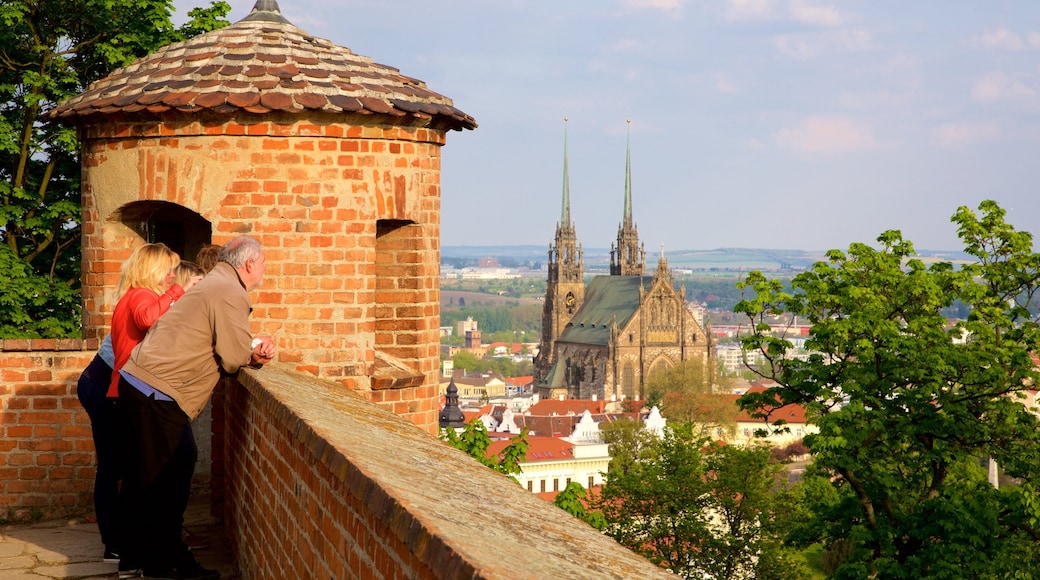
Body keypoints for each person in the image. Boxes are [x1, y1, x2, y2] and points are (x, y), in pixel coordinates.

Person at [115, 236, 275, 580]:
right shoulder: (229, 290)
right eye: (263, 263)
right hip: (157, 391)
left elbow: (217, 337)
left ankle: (144, 559)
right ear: (248, 265)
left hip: (145, 384)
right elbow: (232, 358)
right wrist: (252, 353)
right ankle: (161, 564)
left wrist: (246, 347)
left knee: (156, 477)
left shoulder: (216, 282)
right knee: (165, 481)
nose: (264, 270)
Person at [107, 243, 196, 399]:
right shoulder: (141, 294)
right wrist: (177, 291)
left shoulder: (135, 294)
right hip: (133, 389)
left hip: (129, 387)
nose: (173, 276)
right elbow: (147, 319)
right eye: (169, 271)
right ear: (153, 271)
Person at [75, 334, 119, 562]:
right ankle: (113, 544)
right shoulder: (147, 303)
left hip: (106, 386)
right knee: (111, 467)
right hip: (101, 387)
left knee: (118, 466)